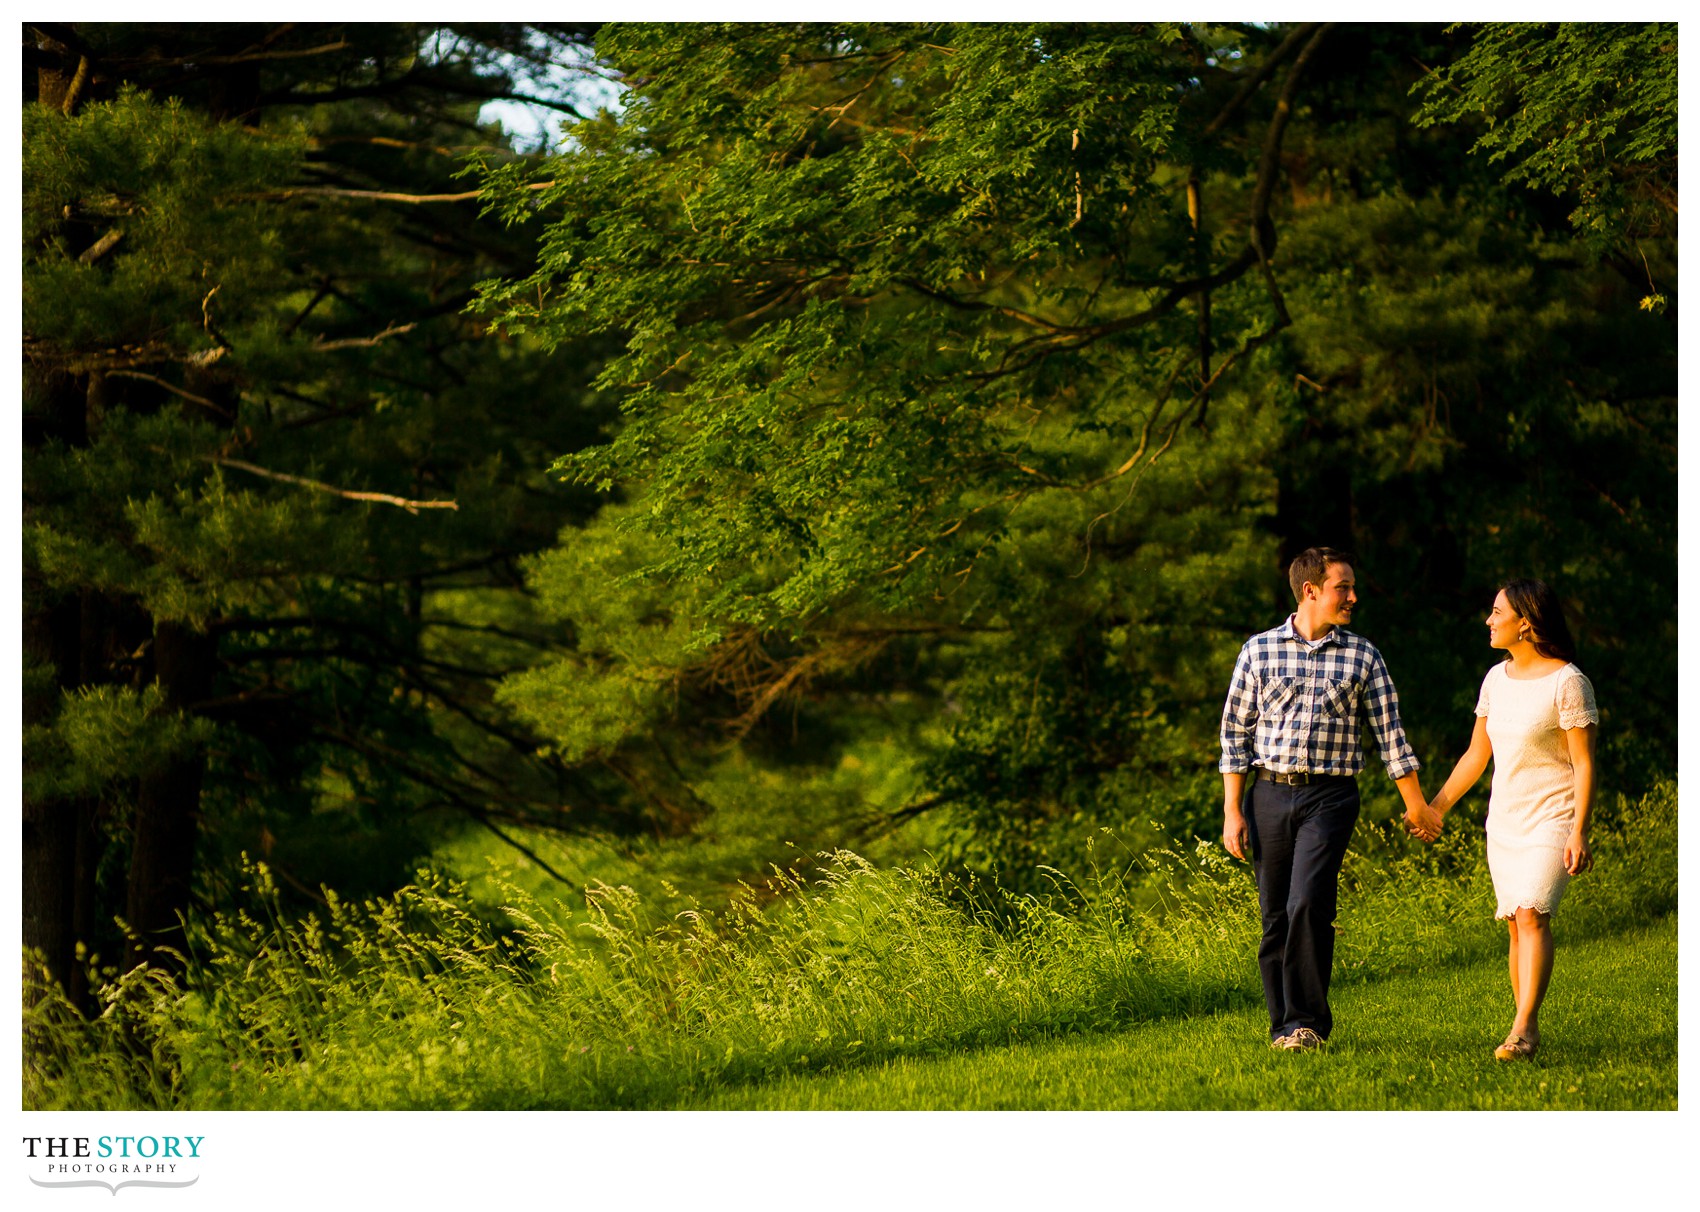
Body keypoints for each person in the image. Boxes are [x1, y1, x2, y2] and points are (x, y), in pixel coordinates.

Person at [1220, 547, 1434, 1052]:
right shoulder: (1258, 651)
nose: (1353, 596)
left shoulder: (1364, 656)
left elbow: (1391, 737)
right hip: (1268, 794)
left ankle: (1307, 1024)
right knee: (1275, 915)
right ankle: (1283, 1028)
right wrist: (1233, 809)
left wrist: (1417, 804)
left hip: (1331, 797)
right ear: (1310, 591)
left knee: (1308, 902)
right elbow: (1235, 733)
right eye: (1344, 587)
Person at [1419, 579, 1597, 1062]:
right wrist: (1436, 806)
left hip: (1553, 817)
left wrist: (1579, 829)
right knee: (1516, 927)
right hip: (1505, 820)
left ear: (1526, 622)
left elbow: (1583, 762)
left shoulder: (1568, 682)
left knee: (1532, 914)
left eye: (1497, 612)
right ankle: (1525, 1027)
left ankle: (1522, 1029)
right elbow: (1477, 755)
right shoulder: (1495, 679)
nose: (1488, 620)